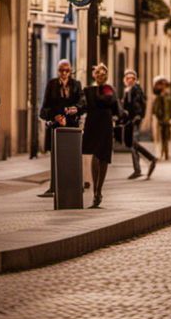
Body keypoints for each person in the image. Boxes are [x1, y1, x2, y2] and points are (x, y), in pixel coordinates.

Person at [38, 60, 83, 197]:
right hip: (56, 126)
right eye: (61, 70)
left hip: (71, 126)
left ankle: (74, 185)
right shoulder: (52, 84)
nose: (64, 73)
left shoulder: (76, 85)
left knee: (72, 156)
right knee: (56, 157)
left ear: (70, 71)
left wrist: (75, 109)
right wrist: (55, 116)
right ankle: (54, 186)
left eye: (67, 71)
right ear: (58, 71)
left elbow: (82, 103)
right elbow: (44, 107)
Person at [82, 64, 118, 208]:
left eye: (103, 74)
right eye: (98, 74)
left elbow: (111, 103)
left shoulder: (108, 89)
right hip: (93, 124)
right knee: (96, 156)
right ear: (94, 75)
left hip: (105, 125)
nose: (100, 76)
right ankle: (96, 191)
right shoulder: (89, 90)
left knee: (103, 156)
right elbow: (84, 105)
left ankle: (98, 190)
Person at [120, 70, 157, 180]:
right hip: (131, 120)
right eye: (127, 78)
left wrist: (137, 116)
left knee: (133, 143)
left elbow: (137, 105)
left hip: (134, 121)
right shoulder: (129, 90)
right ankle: (138, 169)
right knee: (132, 144)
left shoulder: (135, 90)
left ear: (135, 80)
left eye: (132, 78)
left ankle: (151, 159)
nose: (129, 80)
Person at [152, 78, 171, 160]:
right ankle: (159, 153)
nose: (164, 88)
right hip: (158, 119)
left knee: (165, 137)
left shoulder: (169, 97)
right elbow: (154, 108)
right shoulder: (157, 96)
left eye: (165, 86)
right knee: (157, 137)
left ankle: (165, 153)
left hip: (166, 119)